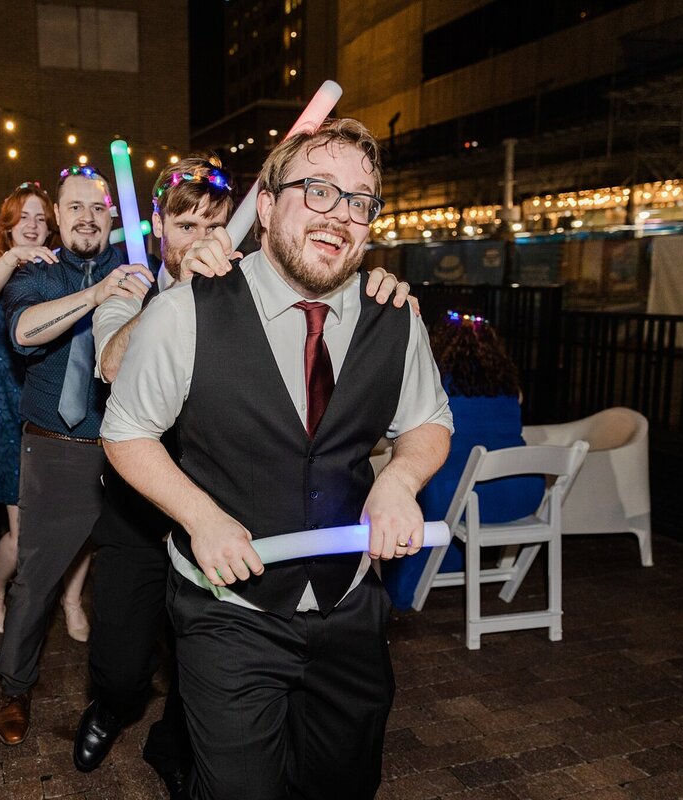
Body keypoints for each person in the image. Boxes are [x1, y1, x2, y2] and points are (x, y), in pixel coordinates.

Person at [101, 118, 453, 799]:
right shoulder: (187, 312)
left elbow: (429, 421)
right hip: (230, 611)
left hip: (350, 606)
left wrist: (402, 480)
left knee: (344, 783)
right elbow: (127, 433)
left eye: (358, 200)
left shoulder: (395, 316)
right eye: (316, 191)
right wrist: (200, 518)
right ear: (265, 207)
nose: (338, 215)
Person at [0, 165, 153, 747]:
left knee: (135, 577)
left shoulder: (140, 269)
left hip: (129, 448)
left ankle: (127, 684)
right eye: (75, 208)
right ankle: (14, 685)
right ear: (57, 217)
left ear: (113, 215)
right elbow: (23, 334)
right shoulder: (37, 272)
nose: (87, 217)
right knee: (36, 578)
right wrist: (95, 295)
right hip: (57, 448)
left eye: (98, 207)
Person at [0, 182, 92, 639]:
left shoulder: (64, 266)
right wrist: (12, 258)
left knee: (83, 523)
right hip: (10, 408)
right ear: (8, 224)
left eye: (42, 217)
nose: (34, 225)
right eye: (24, 216)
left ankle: (72, 598)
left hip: (67, 405)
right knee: (25, 536)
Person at [384, 310, 545, 608]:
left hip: (463, 495)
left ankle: (401, 594)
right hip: (524, 493)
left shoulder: (435, 387)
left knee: (418, 490)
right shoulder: (510, 388)